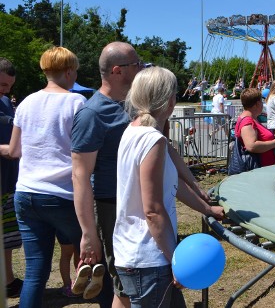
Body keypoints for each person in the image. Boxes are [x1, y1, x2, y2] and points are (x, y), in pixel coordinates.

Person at [72, 42, 208, 308]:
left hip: (138, 224)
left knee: (126, 291)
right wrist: (88, 233)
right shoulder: (92, 114)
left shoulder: (136, 117)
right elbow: (80, 176)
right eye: (136, 64)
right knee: (125, 288)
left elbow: (167, 160)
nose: (142, 67)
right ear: (116, 70)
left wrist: (197, 189)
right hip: (118, 212)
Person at [113, 67, 224, 308]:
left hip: (130, 250)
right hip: (149, 257)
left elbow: (174, 186)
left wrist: (207, 209)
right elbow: (153, 210)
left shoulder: (134, 131)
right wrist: (176, 260)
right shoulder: (151, 140)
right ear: (170, 101)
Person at [6, 47, 88, 305]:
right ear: (69, 71)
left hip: (26, 193)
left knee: (35, 272)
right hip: (62, 194)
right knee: (94, 259)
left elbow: (15, 150)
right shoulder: (76, 102)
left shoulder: (26, 102)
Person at [0, 58, 23, 298]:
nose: (5, 90)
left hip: (7, 182)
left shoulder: (6, 103)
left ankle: (8, 280)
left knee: (7, 238)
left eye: (9, 86)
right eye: (2, 84)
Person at [236, 88, 275, 167]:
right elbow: (251, 146)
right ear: (257, 104)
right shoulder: (247, 122)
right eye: (261, 101)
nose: (262, 104)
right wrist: (274, 143)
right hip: (259, 169)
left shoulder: (253, 119)